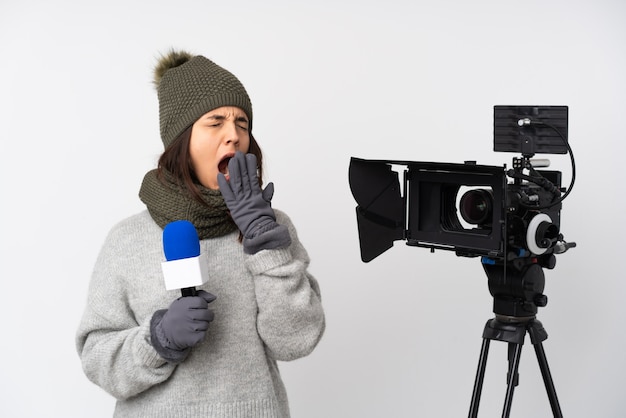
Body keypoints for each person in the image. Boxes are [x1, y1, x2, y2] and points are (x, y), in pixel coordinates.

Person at [76, 49, 325, 418]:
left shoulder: (272, 227)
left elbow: (296, 341)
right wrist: (156, 340)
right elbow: (97, 359)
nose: (234, 135)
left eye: (242, 123)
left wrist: (266, 246)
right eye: (215, 122)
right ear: (181, 141)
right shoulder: (127, 239)